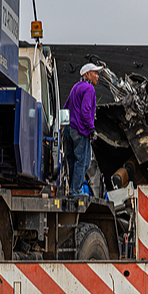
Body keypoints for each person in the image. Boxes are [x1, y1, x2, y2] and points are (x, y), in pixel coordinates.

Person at [62, 62, 103, 196]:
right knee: (83, 161)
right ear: (87, 74)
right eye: (95, 73)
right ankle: (75, 190)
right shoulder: (89, 89)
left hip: (69, 129)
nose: (97, 76)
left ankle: (72, 188)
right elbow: (86, 112)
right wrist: (91, 130)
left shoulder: (76, 87)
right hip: (80, 130)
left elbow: (66, 106)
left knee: (72, 160)